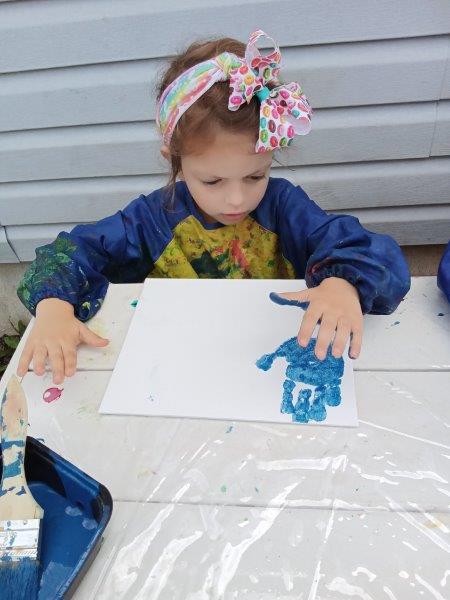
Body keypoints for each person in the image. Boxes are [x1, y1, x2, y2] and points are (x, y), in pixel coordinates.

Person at [16, 30, 410, 385]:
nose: (237, 199)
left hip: (271, 369)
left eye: (255, 176)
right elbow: (70, 253)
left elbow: (371, 253)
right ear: (175, 160)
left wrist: (342, 284)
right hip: (176, 372)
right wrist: (53, 308)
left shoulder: (283, 206)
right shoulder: (153, 219)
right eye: (212, 182)